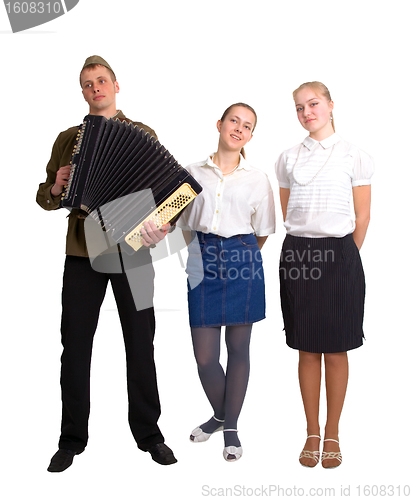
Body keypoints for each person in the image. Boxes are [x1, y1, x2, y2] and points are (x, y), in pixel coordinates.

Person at [36, 55, 177, 472]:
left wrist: (163, 225)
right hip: (82, 251)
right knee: (75, 347)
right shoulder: (67, 138)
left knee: (140, 343)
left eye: (101, 81)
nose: (94, 88)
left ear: (116, 86)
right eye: (87, 84)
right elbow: (45, 197)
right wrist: (57, 186)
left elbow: (171, 194)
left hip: (134, 254)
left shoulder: (142, 133)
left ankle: (149, 435)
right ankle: (71, 439)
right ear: (82, 92)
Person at [275, 81, 373, 468]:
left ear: (331, 105)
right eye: (299, 108)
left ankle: (333, 430)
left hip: (339, 253)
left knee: (336, 347)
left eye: (313, 104)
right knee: (306, 346)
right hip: (298, 252)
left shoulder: (354, 155)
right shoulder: (286, 158)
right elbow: (288, 214)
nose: (306, 113)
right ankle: (311, 430)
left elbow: (362, 216)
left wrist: (343, 257)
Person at [178, 103, 276, 461]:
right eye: (233, 120)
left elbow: (263, 231)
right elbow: (184, 223)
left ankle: (229, 427)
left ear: (251, 135)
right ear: (219, 124)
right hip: (202, 260)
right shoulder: (191, 172)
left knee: (239, 351)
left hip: (243, 259)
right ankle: (220, 414)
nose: (239, 128)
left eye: (247, 125)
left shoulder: (258, 178)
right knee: (205, 357)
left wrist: (238, 253)